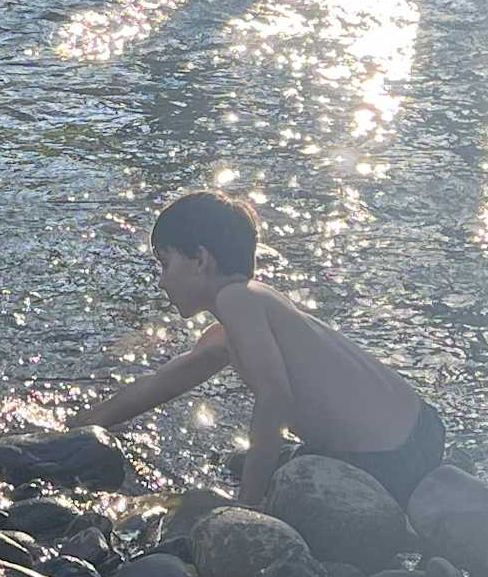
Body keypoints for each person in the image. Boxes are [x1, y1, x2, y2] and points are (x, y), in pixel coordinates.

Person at [72, 191, 444, 507]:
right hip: (418, 429)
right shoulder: (244, 317)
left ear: (201, 260)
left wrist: (249, 503)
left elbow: (274, 396)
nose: (161, 282)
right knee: (259, 465)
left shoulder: (237, 298)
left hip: (387, 459)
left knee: (268, 482)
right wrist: (79, 428)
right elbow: (159, 384)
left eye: (165, 264)